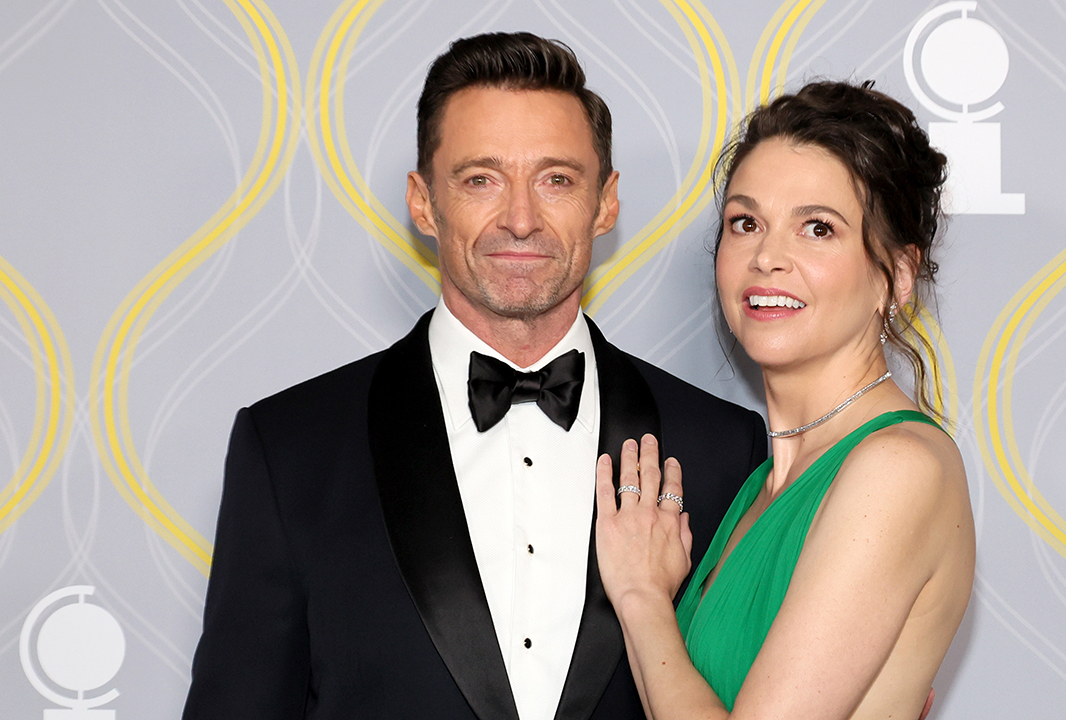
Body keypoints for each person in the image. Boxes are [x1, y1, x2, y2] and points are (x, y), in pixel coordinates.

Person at [182, 32, 766, 720]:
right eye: (480, 179)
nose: (520, 219)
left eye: (556, 179)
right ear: (424, 203)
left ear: (605, 203)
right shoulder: (288, 448)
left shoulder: (724, 449)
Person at [594, 80, 975, 720]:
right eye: (746, 223)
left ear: (898, 276)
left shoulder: (897, 468)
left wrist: (640, 596)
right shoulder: (762, 484)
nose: (768, 256)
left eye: (817, 228)